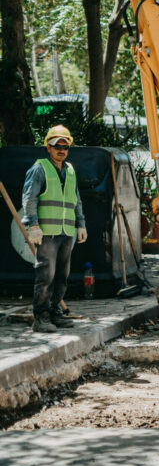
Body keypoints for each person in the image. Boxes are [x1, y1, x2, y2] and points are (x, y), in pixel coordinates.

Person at [22, 125, 87, 333]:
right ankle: (40, 317)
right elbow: (29, 198)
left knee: (62, 276)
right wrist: (33, 225)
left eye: (65, 146)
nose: (61, 150)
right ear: (47, 147)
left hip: (66, 232)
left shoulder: (69, 170)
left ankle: (54, 311)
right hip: (47, 232)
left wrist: (81, 224)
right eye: (56, 145)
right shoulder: (39, 168)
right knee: (45, 276)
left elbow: (76, 201)